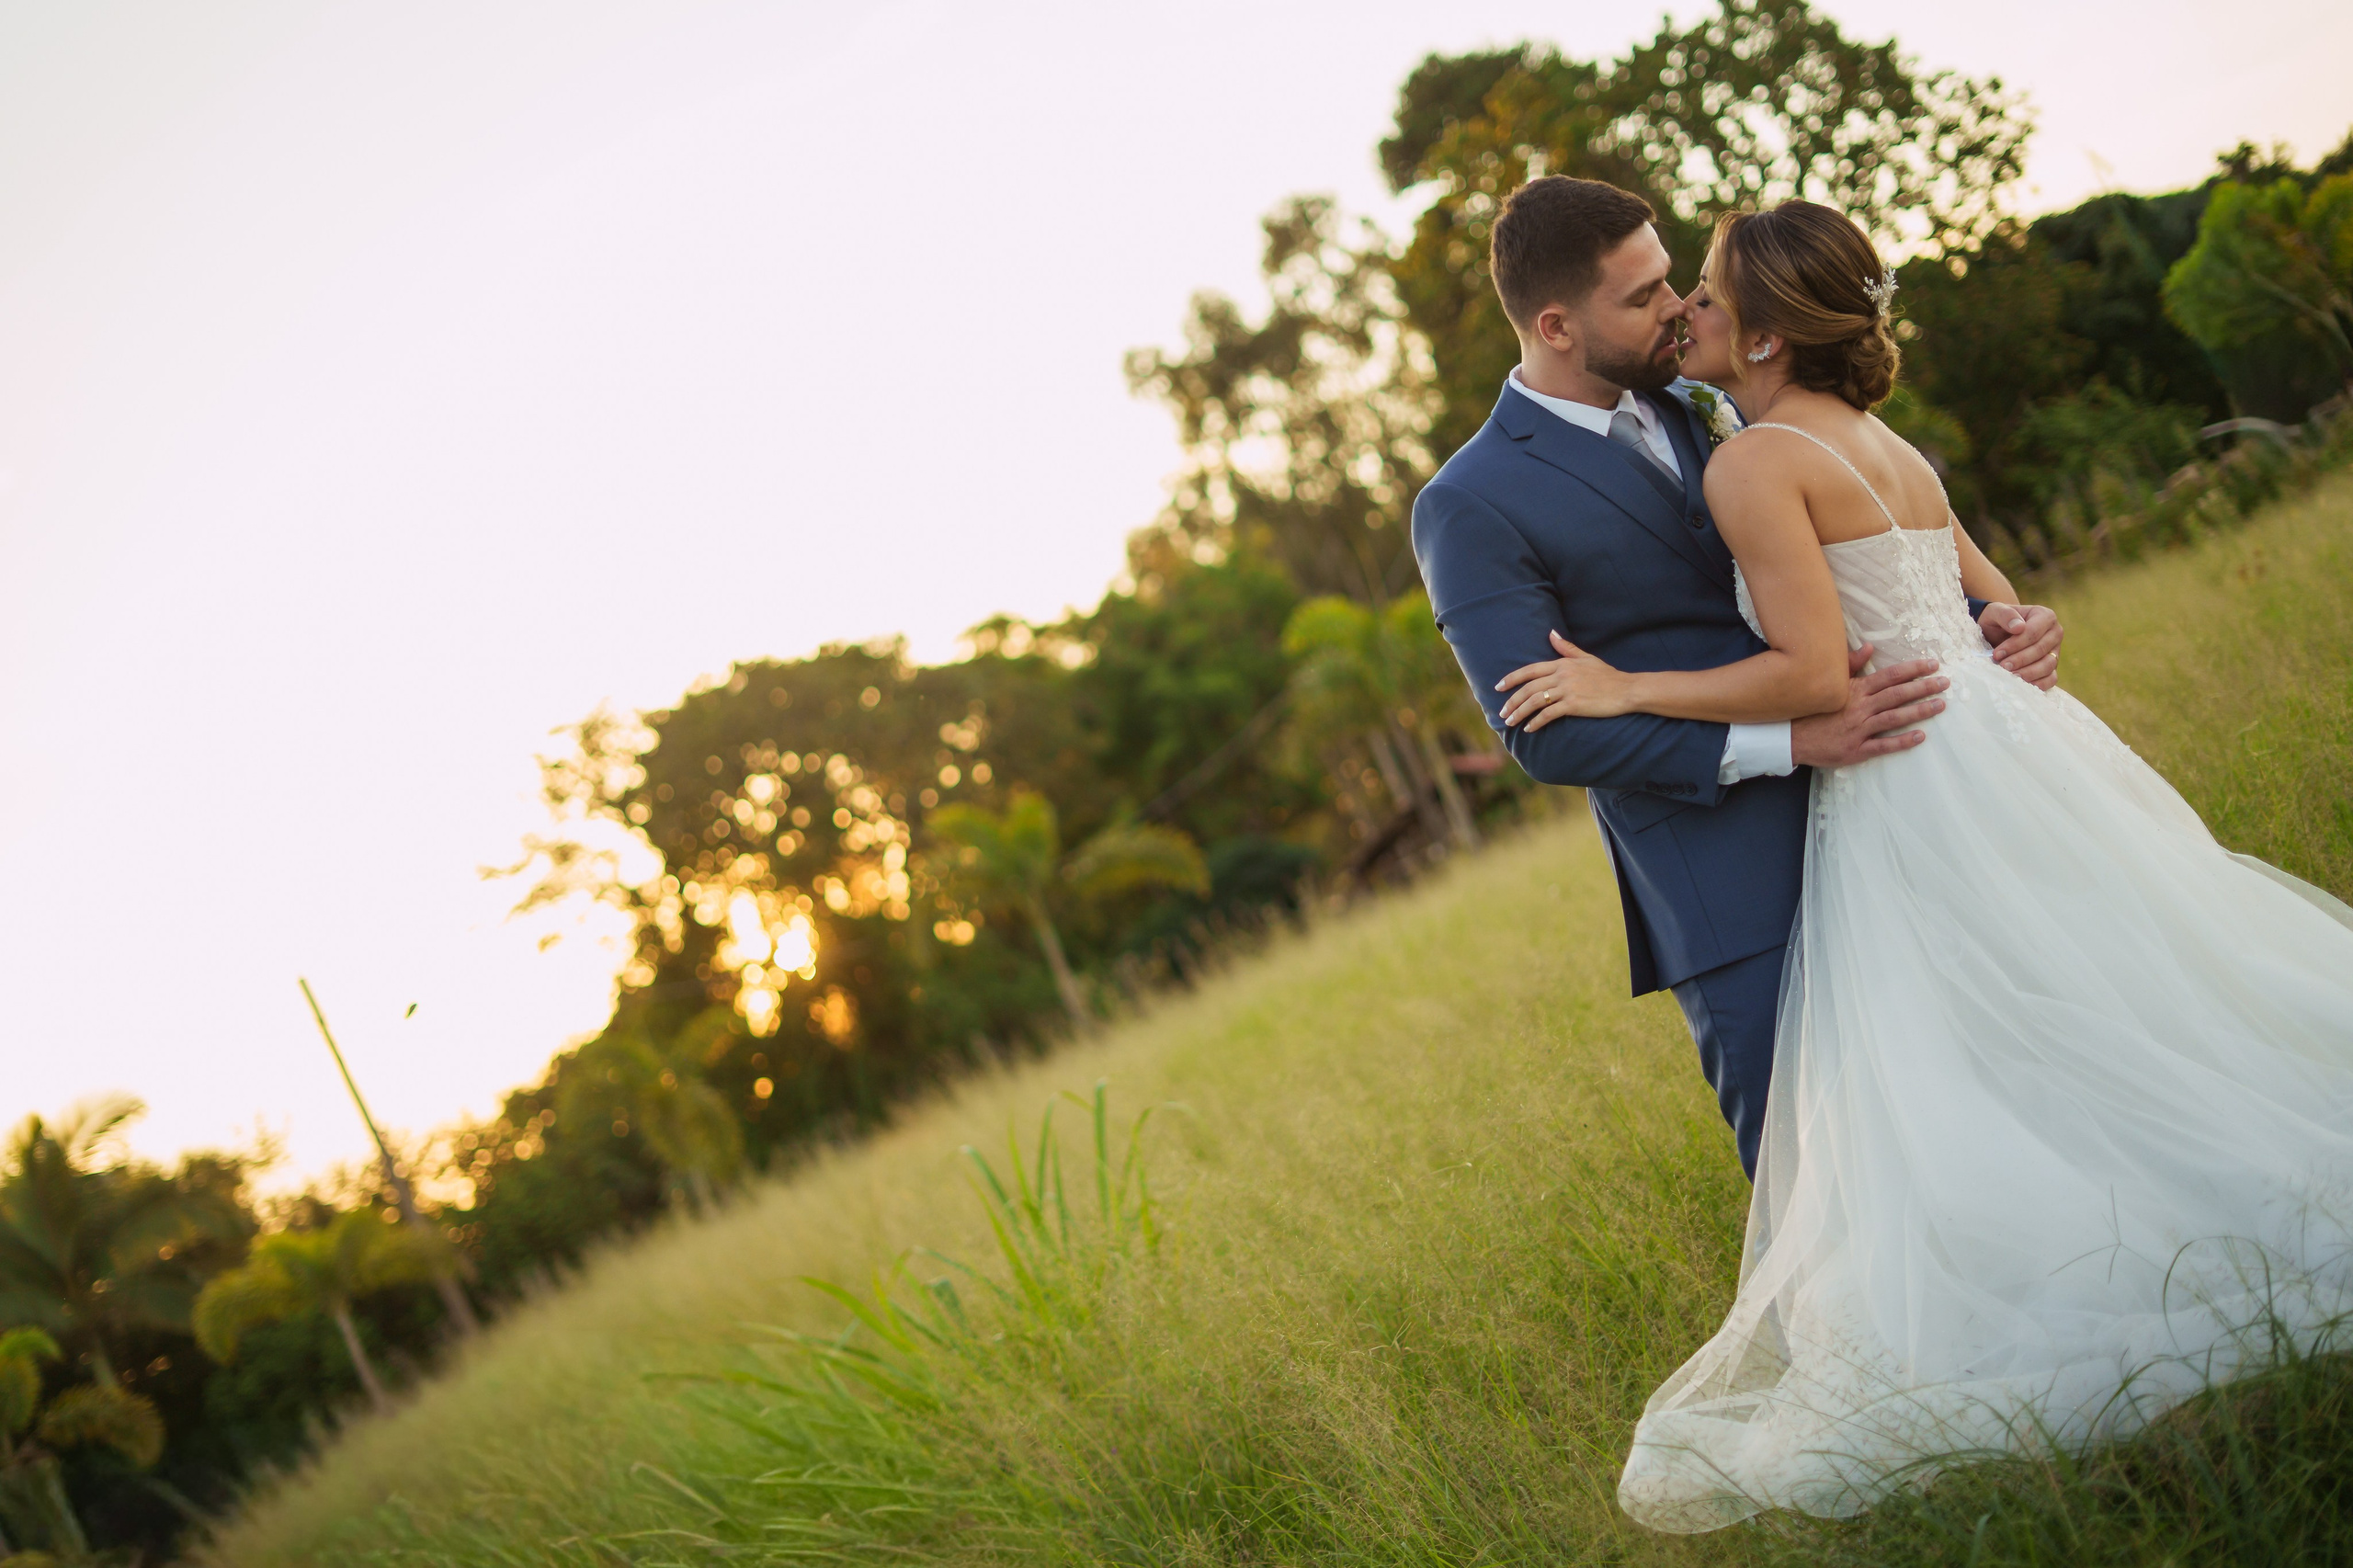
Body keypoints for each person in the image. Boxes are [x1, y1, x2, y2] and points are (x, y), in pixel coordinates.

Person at [1490, 199, 2353, 1529]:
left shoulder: (1740, 446)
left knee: (1949, 1084)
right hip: (1994, 768)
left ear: (1765, 333)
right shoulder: (1856, 440)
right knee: (2085, 1025)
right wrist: (2009, 619)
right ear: (1556, 321)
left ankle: (2042, 1323)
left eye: (1698, 292)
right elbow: (1975, 595)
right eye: (1661, 293)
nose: (1684, 313)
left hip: (1908, 783)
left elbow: (1831, 662)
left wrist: (1623, 680)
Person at [1409, 176, 2063, 1180]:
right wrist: (1788, 741)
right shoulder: (1470, 502)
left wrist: (1994, 624)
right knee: (1820, 1179)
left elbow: (1843, 569)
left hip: (1897, 808)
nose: (1676, 306)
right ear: (1554, 324)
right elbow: (1545, 730)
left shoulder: (1709, 405)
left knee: (1984, 1105)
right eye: (1641, 297)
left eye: (1673, 279)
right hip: (1726, 883)